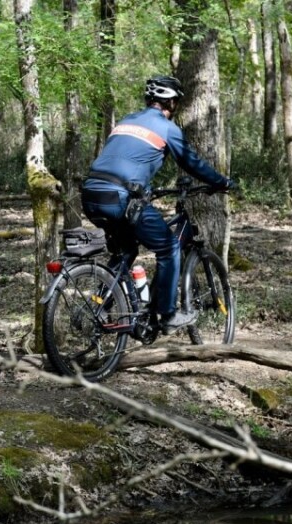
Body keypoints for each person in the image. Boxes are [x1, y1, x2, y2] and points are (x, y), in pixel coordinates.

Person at [81, 76, 236, 334]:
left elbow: (124, 159)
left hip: (91, 194)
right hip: (121, 198)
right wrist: (222, 182)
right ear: (171, 102)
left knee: (126, 249)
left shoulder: (126, 121)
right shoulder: (166, 128)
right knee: (169, 247)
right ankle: (167, 314)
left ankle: (102, 303)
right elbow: (191, 163)